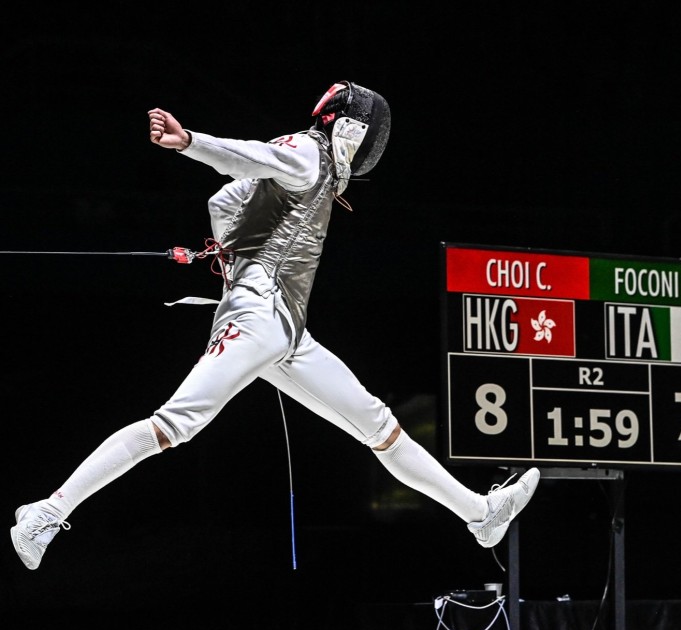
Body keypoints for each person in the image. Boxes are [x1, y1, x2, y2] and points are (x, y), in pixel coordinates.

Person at [11, 81, 540, 571]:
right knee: (174, 424)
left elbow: (225, 200)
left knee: (378, 425)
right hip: (259, 316)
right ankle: (46, 513)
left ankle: (479, 513)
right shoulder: (309, 152)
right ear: (350, 127)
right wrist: (189, 141)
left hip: (287, 329)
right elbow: (250, 157)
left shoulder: (321, 169)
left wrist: (233, 243)